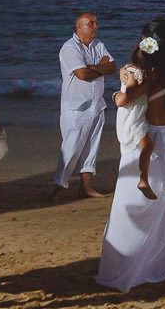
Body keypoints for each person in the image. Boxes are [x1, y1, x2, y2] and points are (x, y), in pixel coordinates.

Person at [97, 17, 165, 292]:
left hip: (149, 142)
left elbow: (125, 100)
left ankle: (123, 272)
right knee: (160, 208)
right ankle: (154, 266)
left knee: (130, 210)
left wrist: (120, 87)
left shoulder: (152, 76)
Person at [51, 12, 115, 201]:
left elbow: (112, 67)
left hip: (96, 104)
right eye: (91, 23)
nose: (96, 26)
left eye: (96, 23)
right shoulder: (69, 48)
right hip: (76, 106)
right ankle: (59, 187)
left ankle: (85, 187)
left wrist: (92, 67)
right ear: (79, 26)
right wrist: (96, 68)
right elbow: (82, 75)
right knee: (70, 148)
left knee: (91, 148)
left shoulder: (98, 44)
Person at [113, 43, 155, 199]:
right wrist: (145, 84)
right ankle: (143, 179)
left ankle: (143, 179)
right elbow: (130, 93)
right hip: (131, 116)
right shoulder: (132, 72)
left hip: (136, 113)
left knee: (147, 145)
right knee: (148, 144)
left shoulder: (137, 72)